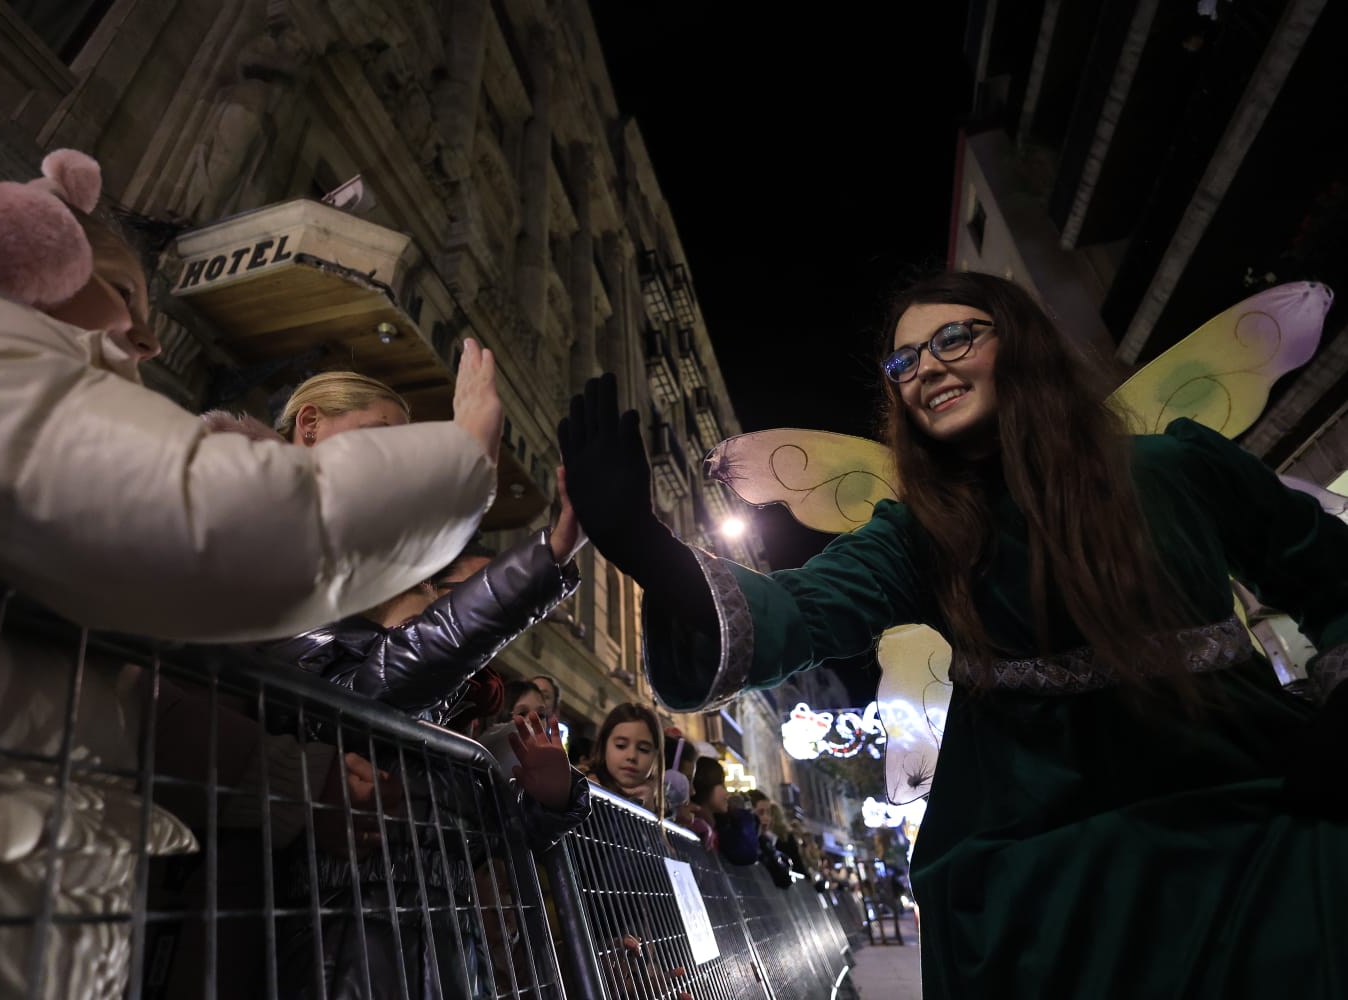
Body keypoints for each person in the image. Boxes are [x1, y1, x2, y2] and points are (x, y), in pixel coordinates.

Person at [558, 270, 1348, 998]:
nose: (926, 369)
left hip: (1241, 823)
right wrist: (646, 548)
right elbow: (801, 610)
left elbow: (1330, 574)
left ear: (1023, 343)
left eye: (953, 339)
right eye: (903, 363)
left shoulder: (1178, 467)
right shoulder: (917, 534)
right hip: (1039, 877)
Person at [0, 152, 502, 1000]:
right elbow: (233, 525)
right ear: (20, 249)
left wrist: (291, 781)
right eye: (124, 292)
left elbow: (131, 692)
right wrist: (462, 457)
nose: (150, 338)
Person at [252, 372, 591, 1000]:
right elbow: (367, 692)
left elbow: (478, 831)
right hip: (347, 924)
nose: (393, 462)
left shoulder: (441, 697)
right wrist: (548, 551)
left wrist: (552, 800)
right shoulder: (274, 554)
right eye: (380, 436)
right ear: (310, 425)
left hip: (444, 939)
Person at [587, 703, 661, 812]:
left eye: (643, 749)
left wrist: (649, 812)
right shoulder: (580, 790)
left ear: (655, 756)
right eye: (621, 745)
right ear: (604, 746)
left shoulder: (663, 808)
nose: (632, 756)